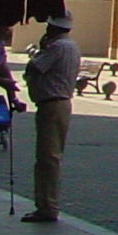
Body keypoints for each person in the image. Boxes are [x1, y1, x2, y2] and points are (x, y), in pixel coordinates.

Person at [21, 14, 78, 223]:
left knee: (47, 158)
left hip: (52, 104)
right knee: (50, 157)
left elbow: (34, 67)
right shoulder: (70, 46)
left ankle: (47, 206)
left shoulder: (57, 47)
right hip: (59, 104)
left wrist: (39, 52)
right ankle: (46, 203)